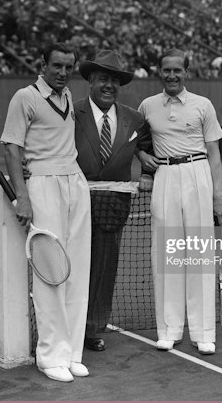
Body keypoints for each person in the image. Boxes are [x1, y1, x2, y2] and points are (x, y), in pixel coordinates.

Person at [0, 42, 91, 383]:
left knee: (78, 271)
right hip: (43, 186)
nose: (63, 72)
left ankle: (72, 353)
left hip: (75, 184)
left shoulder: (68, 98)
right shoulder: (24, 97)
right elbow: (11, 148)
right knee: (51, 272)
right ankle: (49, 355)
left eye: (69, 67)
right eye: (57, 66)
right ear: (43, 64)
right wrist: (22, 198)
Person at [136, 48, 222, 356]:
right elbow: (137, 143)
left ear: (186, 72)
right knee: (166, 253)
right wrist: (142, 158)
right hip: (164, 176)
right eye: (166, 70)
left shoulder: (204, 105)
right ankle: (169, 330)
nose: (172, 75)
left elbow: (214, 155)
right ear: (159, 72)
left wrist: (218, 195)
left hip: (197, 173)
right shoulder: (147, 106)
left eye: (178, 70)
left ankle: (203, 333)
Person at [73, 50, 153, 352]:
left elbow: (149, 148)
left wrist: (146, 171)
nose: (109, 85)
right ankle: (67, 326)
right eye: (103, 79)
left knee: (104, 271)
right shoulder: (71, 111)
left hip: (113, 207)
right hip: (74, 205)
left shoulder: (134, 118)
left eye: (114, 81)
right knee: (71, 269)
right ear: (91, 81)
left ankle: (92, 328)